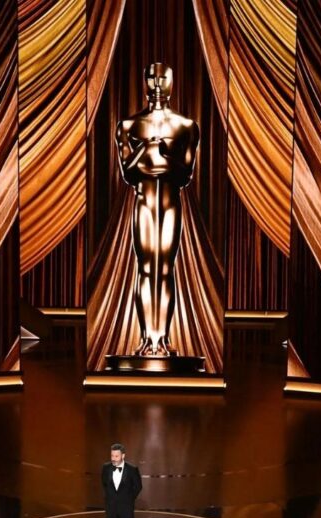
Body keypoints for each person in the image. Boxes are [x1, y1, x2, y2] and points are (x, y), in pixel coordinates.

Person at [116, 63, 200, 359]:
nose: (156, 83)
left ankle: (161, 338)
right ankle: (146, 338)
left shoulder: (186, 126)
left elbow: (185, 174)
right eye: (151, 77)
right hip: (144, 201)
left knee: (165, 268)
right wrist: (147, 150)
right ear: (144, 81)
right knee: (145, 268)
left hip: (170, 202)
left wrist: (158, 154)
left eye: (162, 77)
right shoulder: (129, 126)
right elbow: (128, 173)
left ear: (171, 82)